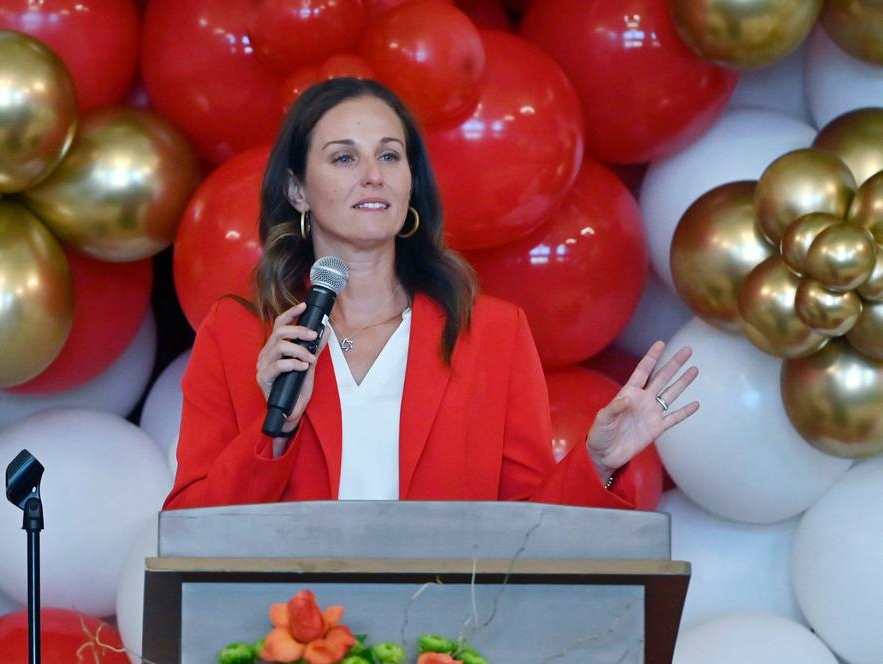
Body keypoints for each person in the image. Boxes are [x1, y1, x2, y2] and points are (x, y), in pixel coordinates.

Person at [163, 78, 698, 510]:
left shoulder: (491, 334)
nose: (373, 176)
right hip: (288, 635)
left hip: (439, 640)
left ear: (412, 183)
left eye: (391, 157)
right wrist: (272, 430)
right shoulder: (237, 335)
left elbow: (526, 529)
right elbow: (188, 533)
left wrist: (598, 463)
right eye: (344, 158)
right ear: (297, 188)